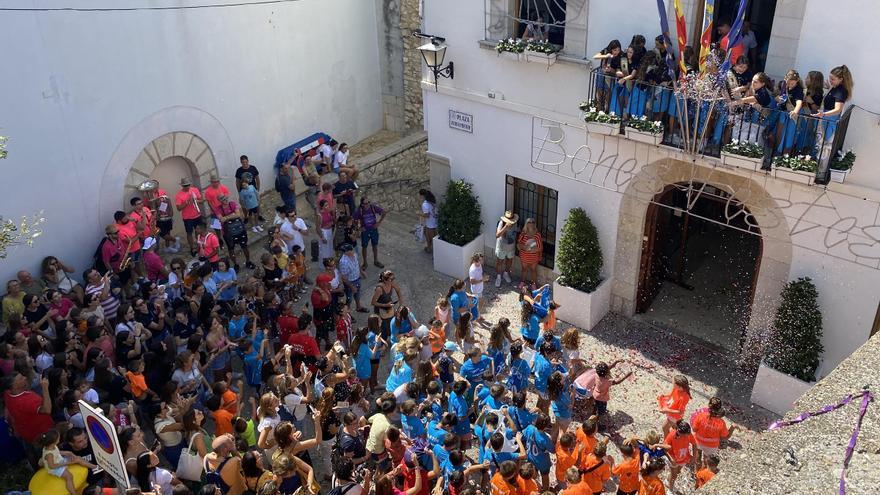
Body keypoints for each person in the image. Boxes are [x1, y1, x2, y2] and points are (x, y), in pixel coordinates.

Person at [813, 65, 853, 181]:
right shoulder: (835, 88)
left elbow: (838, 109)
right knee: (820, 145)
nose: (830, 81)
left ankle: (820, 173)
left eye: (833, 79)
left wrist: (823, 115)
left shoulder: (841, 91)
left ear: (841, 79)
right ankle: (817, 170)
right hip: (826, 119)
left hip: (829, 120)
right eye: (830, 78)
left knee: (825, 147)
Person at [38, 429, 96, 495]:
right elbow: (50, 465)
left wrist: (69, 454)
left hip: (60, 461)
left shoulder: (51, 446)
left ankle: (94, 467)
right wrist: (68, 462)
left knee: (78, 459)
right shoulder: (53, 452)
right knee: (69, 476)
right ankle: (74, 493)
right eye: (80, 441)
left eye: (85, 438)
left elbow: (57, 453)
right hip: (57, 471)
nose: (85, 442)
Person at [691, 397, 738, 468]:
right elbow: (726, 437)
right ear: (719, 408)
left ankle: (696, 471)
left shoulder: (700, 416)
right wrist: (732, 427)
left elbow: (694, 429)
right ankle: (702, 474)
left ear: (709, 405)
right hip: (711, 446)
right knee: (706, 460)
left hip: (698, 441)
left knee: (698, 456)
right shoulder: (721, 423)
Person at [217, 194, 255, 270]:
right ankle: (236, 264)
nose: (225, 200)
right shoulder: (218, 209)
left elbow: (238, 214)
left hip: (240, 230)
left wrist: (226, 217)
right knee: (231, 249)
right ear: (220, 201)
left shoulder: (233, 204)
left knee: (244, 247)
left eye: (225, 198)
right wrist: (232, 215)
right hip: (228, 233)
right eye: (222, 199)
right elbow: (221, 219)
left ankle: (248, 261)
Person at [353, 195, 386, 270]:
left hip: (374, 230)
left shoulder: (373, 207)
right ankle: (365, 262)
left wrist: (379, 222)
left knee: (375, 245)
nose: (367, 204)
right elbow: (353, 219)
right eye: (365, 203)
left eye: (368, 202)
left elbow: (384, 212)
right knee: (364, 246)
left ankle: (376, 261)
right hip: (365, 232)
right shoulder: (359, 210)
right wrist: (359, 228)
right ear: (362, 204)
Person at [175, 177, 206, 256]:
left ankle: (200, 245)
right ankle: (192, 248)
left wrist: (196, 201)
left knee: (199, 231)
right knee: (189, 233)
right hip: (187, 218)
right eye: (185, 185)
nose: (187, 187)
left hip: (197, 215)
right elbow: (178, 208)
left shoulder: (194, 190)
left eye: (188, 185)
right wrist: (187, 202)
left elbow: (202, 200)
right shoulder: (179, 195)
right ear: (182, 186)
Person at [339, 243, 368, 312]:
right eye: (344, 251)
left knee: (357, 294)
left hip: (357, 278)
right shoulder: (343, 262)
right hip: (350, 282)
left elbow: (357, 264)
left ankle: (358, 307)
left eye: (346, 251)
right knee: (349, 298)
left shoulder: (354, 255)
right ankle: (347, 312)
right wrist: (352, 287)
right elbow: (344, 278)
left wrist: (362, 272)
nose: (344, 252)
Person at [494, 211, 519, 288]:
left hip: (511, 247)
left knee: (509, 261)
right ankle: (498, 277)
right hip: (501, 247)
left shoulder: (516, 223)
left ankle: (506, 273)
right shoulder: (501, 223)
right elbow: (497, 235)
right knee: (499, 262)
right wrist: (505, 228)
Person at [517, 218, 543, 288]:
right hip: (524, 255)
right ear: (526, 224)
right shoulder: (523, 233)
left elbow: (540, 247)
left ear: (535, 224)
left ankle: (534, 284)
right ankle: (522, 282)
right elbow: (518, 244)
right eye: (529, 222)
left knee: (533, 270)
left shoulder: (537, 235)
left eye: (533, 222)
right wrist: (524, 247)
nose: (531, 223)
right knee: (524, 269)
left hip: (534, 256)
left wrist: (535, 250)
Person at [467, 253, 489, 322]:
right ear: (476, 261)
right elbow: (472, 282)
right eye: (480, 260)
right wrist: (482, 280)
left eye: (482, 260)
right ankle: (475, 316)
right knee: (477, 303)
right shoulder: (473, 270)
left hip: (479, 288)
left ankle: (477, 315)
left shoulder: (479, 265)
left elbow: (480, 274)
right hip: (476, 290)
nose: (482, 261)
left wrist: (483, 277)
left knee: (479, 303)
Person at [418, 189, 438, 254]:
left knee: (428, 237)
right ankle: (432, 248)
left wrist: (419, 213)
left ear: (422, 196)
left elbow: (427, 215)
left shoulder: (425, 204)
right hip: (435, 222)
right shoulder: (432, 202)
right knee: (434, 237)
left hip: (430, 224)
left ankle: (429, 249)